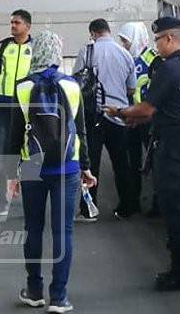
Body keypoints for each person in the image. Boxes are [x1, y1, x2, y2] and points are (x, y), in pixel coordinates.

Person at [105, 17, 180, 291]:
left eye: (158, 40)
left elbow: (148, 109)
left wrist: (121, 113)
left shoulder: (170, 69)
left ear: (170, 39)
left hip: (172, 146)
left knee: (176, 211)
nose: (156, 45)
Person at [8, 30, 97, 313]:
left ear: (36, 53)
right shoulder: (72, 86)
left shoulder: (22, 87)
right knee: (64, 232)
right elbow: (81, 130)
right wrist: (86, 167)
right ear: (57, 53)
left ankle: (34, 291)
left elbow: (12, 136)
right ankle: (59, 297)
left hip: (32, 166)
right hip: (67, 166)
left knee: (33, 228)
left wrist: (11, 175)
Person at [72, 18, 137, 220]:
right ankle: (127, 207)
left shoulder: (87, 51)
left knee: (90, 164)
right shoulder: (125, 54)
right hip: (117, 116)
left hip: (93, 117)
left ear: (93, 33)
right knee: (121, 163)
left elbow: (76, 82)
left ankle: (89, 209)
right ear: (108, 31)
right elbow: (131, 88)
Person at [0, 10, 33, 218]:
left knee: (30, 157)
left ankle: (32, 201)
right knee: (2, 157)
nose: (13, 26)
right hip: (5, 107)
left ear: (27, 26)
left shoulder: (36, 47)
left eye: (17, 23)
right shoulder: (4, 46)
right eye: (11, 22)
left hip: (28, 108)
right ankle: (0, 202)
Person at [117, 22, 155, 217]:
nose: (123, 44)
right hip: (132, 116)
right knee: (132, 160)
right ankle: (133, 202)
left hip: (148, 117)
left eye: (126, 40)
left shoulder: (152, 59)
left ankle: (157, 204)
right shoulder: (124, 58)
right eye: (122, 40)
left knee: (154, 161)